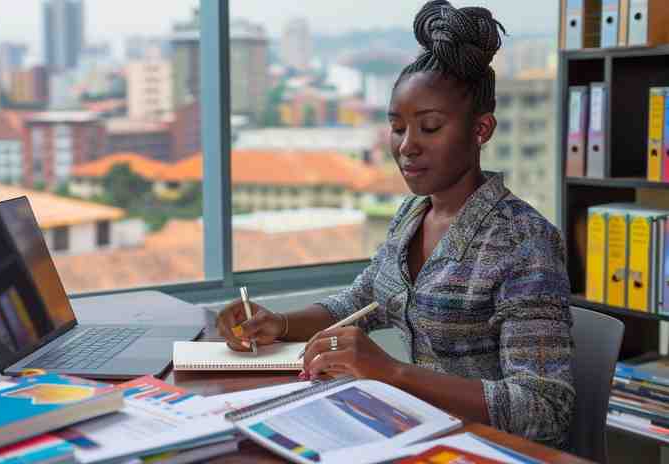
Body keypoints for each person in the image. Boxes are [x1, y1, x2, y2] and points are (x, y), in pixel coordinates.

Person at [215, 0, 574, 451]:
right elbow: (363, 300)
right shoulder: (412, 215)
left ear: (481, 129)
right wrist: (281, 323)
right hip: (418, 432)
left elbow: (544, 408)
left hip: (489, 447)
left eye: (429, 127)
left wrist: (392, 372)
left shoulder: (523, 241)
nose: (407, 147)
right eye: (397, 127)